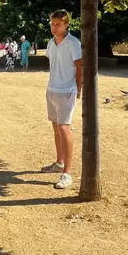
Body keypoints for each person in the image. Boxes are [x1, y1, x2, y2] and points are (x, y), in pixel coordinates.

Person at [41, 10, 82, 190]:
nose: (54, 27)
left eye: (57, 24)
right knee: (56, 127)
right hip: (52, 90)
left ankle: (67, 173)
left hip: (66, 91)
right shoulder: (51, 43)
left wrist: (79, 88)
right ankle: (59, 162)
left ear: (66, 25)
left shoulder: (73, 43)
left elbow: (79, 66)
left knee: (64, 128)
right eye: (52, 23)